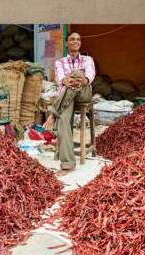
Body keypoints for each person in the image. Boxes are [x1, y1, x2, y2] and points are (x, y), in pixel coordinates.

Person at [43, 33, 96, 175]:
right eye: (72, 39)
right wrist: (67, 81)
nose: (75, 41)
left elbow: (89, 76)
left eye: (78, 39)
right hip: (67, 97)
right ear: (66, 43)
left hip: (83, 94)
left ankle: (53, 114)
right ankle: (68, 164)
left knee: (77, 74)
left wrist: (81, 79)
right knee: (63, 121)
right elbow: (61, 80)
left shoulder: (87, 59)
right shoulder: (59, 62)